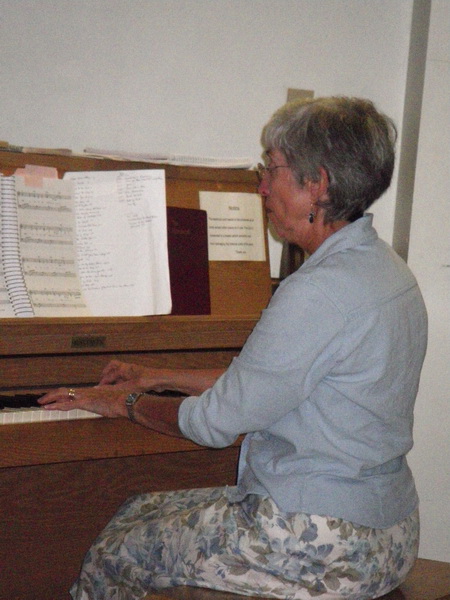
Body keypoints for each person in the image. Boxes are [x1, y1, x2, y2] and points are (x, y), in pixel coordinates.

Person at [39, 96, 428, 600]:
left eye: (272, 169)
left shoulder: (316, 292)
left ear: (317, 184)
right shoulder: (387, 270)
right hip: (388, 528)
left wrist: (123, 402)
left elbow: (213, 423)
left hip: (318, 542)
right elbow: (262, 384)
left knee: (116, 550)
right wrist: (158, 376)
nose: (262, 186)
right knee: (137, 509)